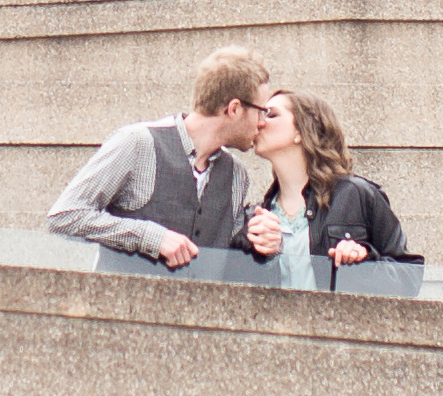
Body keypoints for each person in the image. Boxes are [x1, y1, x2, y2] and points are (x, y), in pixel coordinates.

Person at [46, 48, 286, 271]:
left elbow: (230, 249)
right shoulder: (138, 143)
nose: (263, 122)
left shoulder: (236, 173)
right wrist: (150, 237)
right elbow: (65, 216)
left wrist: (261, 239)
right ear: (234, 109)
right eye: (261, 111)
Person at [242, 87, 417, 289]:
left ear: (301, 130)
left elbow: (408, 278)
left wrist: (364, 260)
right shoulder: (255, 217)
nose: (259, 122)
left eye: (271, 114)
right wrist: (260, 254)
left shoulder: (356, 195)